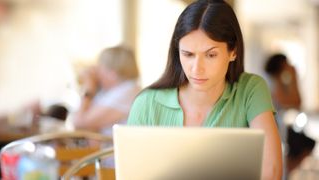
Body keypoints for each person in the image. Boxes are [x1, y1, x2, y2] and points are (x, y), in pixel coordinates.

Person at [127, 0, 283, 179]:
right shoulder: (146, 103)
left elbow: (271, 171)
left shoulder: (251, 90)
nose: (196, 68)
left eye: (210, 55)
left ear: (233, 51)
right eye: (188, 54)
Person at [72, 45, 140, 136]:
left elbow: (79, 123)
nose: (98, 74)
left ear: (113, 73)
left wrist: (89, 87)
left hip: (111, 149)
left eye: (101, 68)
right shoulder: (116, 90)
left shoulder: (127, 92)